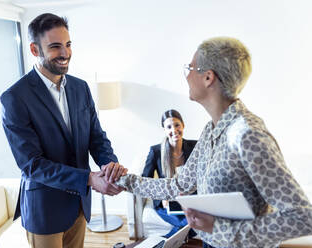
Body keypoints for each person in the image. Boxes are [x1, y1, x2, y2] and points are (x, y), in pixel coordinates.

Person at [116, 37, 312, 247]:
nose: (187, 75)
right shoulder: (210, 131)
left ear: (208, 77)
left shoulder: (248, 135)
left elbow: (302, 217)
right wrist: (122, 180)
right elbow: (178, 185)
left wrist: (221, 230)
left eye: (190, 68)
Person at [1, 13, 126, 248]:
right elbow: (32, 165)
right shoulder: (15, 98)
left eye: (68, 45)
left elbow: (97, 138)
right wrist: (89, 179)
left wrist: (109, 166)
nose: (65, 53)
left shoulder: (81, 88)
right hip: (44, 210)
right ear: (34, 49)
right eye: (55, 46)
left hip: (79, 204)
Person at [142, 109, 197, 238]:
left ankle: (161, 243)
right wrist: (161, 197)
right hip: (167, 202)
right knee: (189, 223)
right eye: (169, 127)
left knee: (199, 219)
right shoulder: (156, 151)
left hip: (190, 200)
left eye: (177, 125)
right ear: (164, 130)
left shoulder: (195, 146)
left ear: (183, 125)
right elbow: (146, 180)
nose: (174, 130)